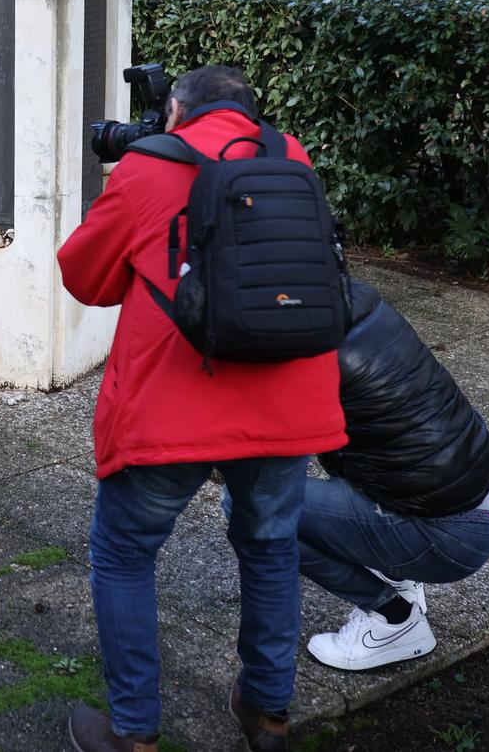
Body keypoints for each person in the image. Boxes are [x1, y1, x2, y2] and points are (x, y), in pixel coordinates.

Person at [56, 65, 348, 752]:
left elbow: (85, 276)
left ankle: (134, 732)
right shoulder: (293, 156)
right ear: (249, 113)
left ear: (179, 112)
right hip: (285, 405)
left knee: (124, 552)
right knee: (270, 546)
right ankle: (267, 714)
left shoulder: (148, 167)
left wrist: (120, 195)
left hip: (173, 409)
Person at [297, 278, 489, 671]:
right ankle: (399, 577)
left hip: (449, 537)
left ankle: (393, 620)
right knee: (358, 448)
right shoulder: (354, 298)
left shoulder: (295, 346)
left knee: (251, 506)